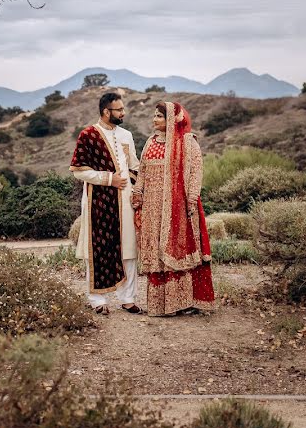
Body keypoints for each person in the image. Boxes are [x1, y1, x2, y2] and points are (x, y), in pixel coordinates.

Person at [132, 101, 214, 316]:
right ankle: (161, 306)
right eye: (154, 115)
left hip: (178, 207)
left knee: (178, 247)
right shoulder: (150, 142)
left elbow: (196, 171)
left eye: (159, 116)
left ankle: (183, 302)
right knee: (156, 250)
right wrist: (137, 193)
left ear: (171, 118)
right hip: (152, 207)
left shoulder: (187, 142)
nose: (154, 119)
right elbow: (142, 171)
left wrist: (191, 200)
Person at [69, 92, 141, 314]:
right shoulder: (88, 135)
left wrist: (137, 187)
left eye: (122, 109)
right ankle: (97, 300)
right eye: (119, 110)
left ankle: (127, 298)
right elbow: (79, 171)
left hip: (125, 200)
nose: (123, 113)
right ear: (106, 111)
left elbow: (135, 166)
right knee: (99, 247)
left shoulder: (126, 135)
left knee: (128, 248)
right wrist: (109, 179)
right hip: (99, 202)